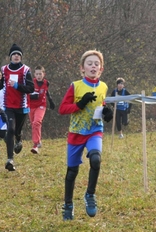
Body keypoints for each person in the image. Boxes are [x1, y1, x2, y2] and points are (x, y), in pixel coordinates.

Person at [58, 49, 113, 221]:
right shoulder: (76, 86)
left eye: (96, 64)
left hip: (94, 130)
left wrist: (106, 112)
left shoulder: (103, 86)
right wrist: (79, 104)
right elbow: (62, 109)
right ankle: (68, 205)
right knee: (72, 172)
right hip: (76, 133)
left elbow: (101, 104)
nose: (93, 66)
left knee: (96, 159)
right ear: (82, 68)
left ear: (101, 69)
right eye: (90, 63)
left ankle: (90, 195)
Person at [0, 44, 34, 171]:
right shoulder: (4, 69)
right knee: (10, 130)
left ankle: (19, 138)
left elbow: (31, 88)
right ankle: (10, 159)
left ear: (21, 57)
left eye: (19, 54)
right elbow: (1, 85)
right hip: (8, 105)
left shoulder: (26, 70)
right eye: (14, 54)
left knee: (17, 131)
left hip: (22, 106)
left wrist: (17, 86)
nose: (16, 56)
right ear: (10, 57)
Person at [29, 65, 55, 154]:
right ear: (34, 75)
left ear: (44, 74)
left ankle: (35, 145)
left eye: (40, 74)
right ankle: (38, 140)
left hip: (41, 105)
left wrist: (51, 101)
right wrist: (31, 96)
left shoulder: (46, 83)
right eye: (37, 74)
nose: (39, 76)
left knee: (37, 122)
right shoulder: (31, 83)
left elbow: (46, 92)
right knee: (34, 124)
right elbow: (26, 92)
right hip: (31, 106)